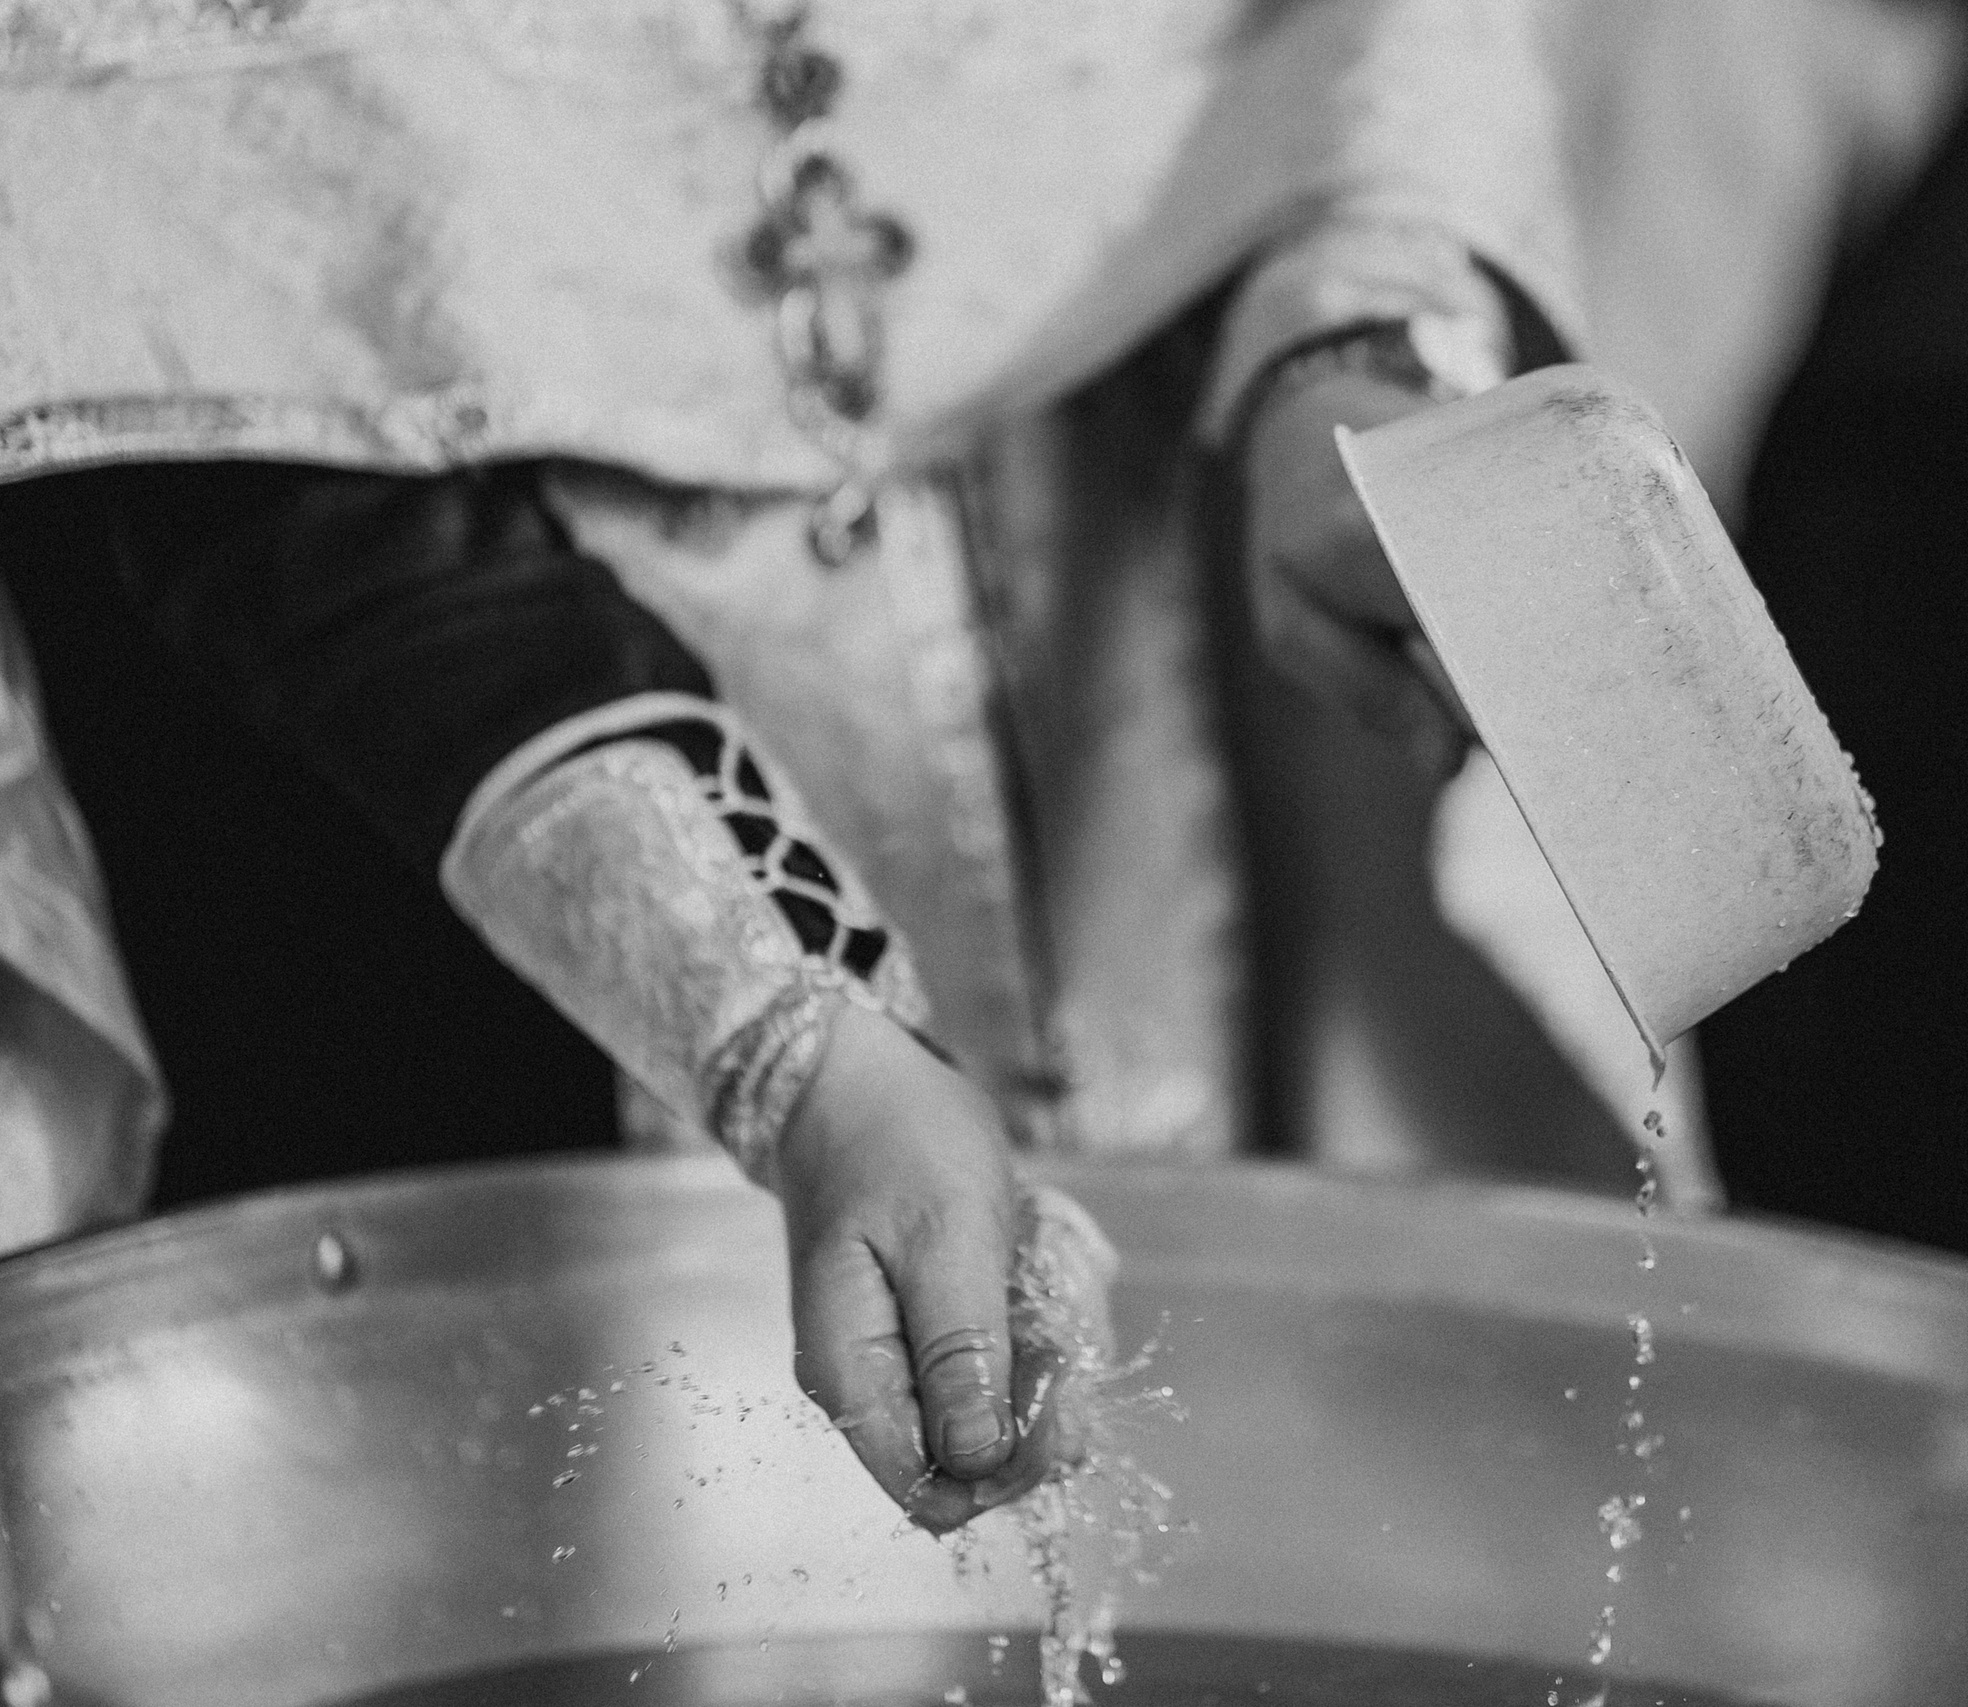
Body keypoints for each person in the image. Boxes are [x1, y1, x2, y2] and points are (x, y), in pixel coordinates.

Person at [0, 0, 1649, 1531]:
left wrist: (1341, 373)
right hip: (438, 863)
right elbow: (215, 303)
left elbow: (1349, 54)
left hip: (1123, 652)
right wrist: (788, 1045)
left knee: (1232, 1514)